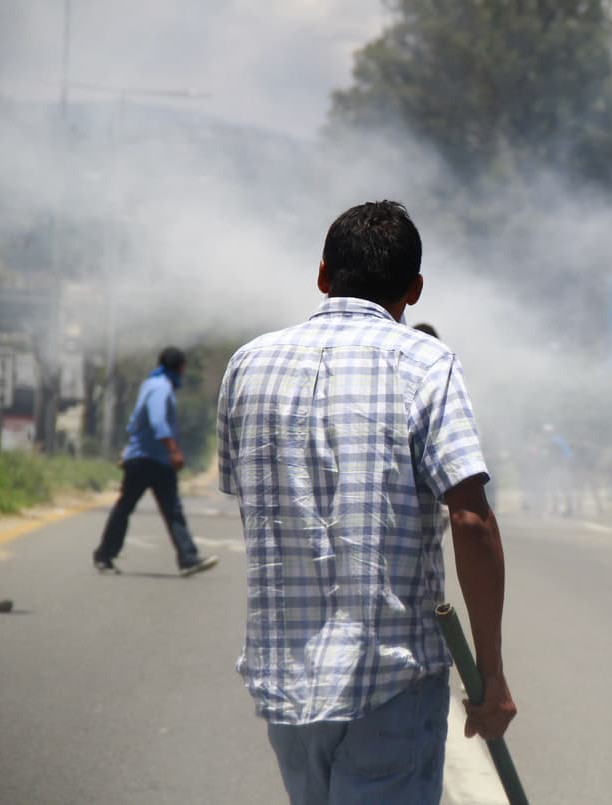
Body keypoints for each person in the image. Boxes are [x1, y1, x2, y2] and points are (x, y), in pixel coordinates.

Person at [216, 201, 515, 804]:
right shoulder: (427, 364)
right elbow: (471, 519)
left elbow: (246, 491)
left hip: (287, 683)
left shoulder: (247, 366)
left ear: (323, 275)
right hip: (391, 678)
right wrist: (490, 676)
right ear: (415, 290)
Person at [92, 347, 219, 577]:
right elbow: (158, 421)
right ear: (180, 367)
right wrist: (174, 451)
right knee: (131, 508)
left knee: (168, 510)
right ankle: (104, 555)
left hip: (154, 460)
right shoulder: (161, 388)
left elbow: (138, 423)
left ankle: (188, 558)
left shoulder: (152, 384)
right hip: (147, 460)